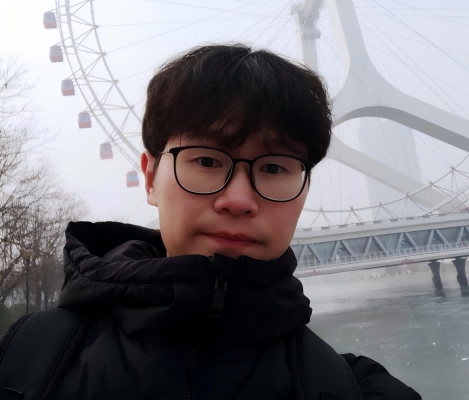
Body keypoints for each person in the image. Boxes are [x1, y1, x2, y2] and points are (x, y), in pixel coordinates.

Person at [0, 44, 421, 399]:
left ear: (305, 189)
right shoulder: (23, 360)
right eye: (205, 161)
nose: (238, 200)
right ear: (150, 178)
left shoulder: (354, 387)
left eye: (274, 168)